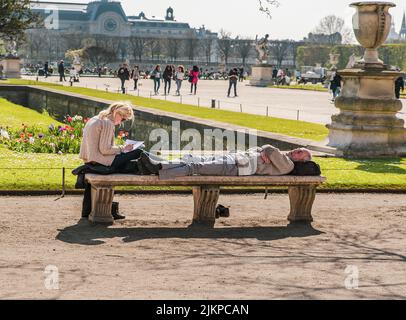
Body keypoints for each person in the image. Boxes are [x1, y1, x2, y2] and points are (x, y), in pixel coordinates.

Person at [78, 102, 143, 220]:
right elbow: (105, 149)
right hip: (101, 161)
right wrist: (123, 149)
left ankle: (105, 208)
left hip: (90, 160)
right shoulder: (108, 123)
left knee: (128, 162)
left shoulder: (96, 118)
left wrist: (120, 150)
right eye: (123, 119)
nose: (121, 122)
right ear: (116, 113)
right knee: (139, 151)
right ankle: (160, 166)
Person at [138, 145, 312, 180]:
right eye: (299, 149)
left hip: (236, 167)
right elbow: (258, 148)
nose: (296, 151)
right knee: (190, 159)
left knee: (194, 168)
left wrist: (265, 150)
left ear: (301, 161)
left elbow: (269, 149)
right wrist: (262, 151)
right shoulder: (283, 158)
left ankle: (158, 170)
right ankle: (157, 164)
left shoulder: (288, 165)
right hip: (233, 159)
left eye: (300, 153)